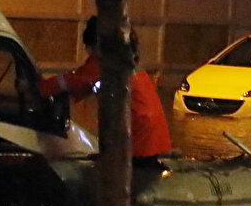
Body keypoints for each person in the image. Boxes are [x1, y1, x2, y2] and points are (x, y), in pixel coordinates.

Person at [39, 16, 172, 166]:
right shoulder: (124, 59)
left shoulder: (106, 62)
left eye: (89, 47)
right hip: (148, 137)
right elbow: (87, 84)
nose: (88, 52)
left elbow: (74, 80)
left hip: (137, 139)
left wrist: (38, 89)